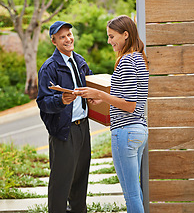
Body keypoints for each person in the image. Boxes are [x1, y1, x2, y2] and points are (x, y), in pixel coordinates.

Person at [73, 15, 149, 213]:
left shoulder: (126, 60)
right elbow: (129, 96)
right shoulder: (140, 58)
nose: (109, 41)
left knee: (130, 195)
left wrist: (100, 94)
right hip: (138, 130)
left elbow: (130, 105)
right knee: (135, 192)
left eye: (112, 36)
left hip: (125, 132)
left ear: (125, 35)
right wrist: (103, 99)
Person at [36, 21, 93, 213]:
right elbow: (43, 102)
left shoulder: (79, 61)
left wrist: (93, 97)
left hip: (83, 128)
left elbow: (90, 84)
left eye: (69, 34)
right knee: (61, 183)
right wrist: (61, 100)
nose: (68, 39)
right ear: (54, 41)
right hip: (63, 131)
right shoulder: (49, 68)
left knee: (80, 180)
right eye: (62, 37)